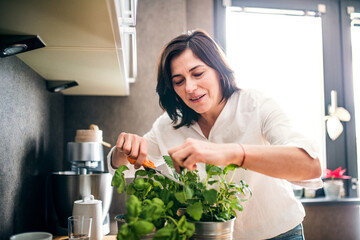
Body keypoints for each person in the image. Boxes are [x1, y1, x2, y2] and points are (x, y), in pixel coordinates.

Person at [107, 29, 323, 240]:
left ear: (219, 70)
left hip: (279, 233)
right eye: (179, 81)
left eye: (198, 73)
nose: (190, 87)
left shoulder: (256, 105)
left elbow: (310, 167)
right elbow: (122, 166)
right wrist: (122, 150)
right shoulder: (168, 126)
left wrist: (232, 153)